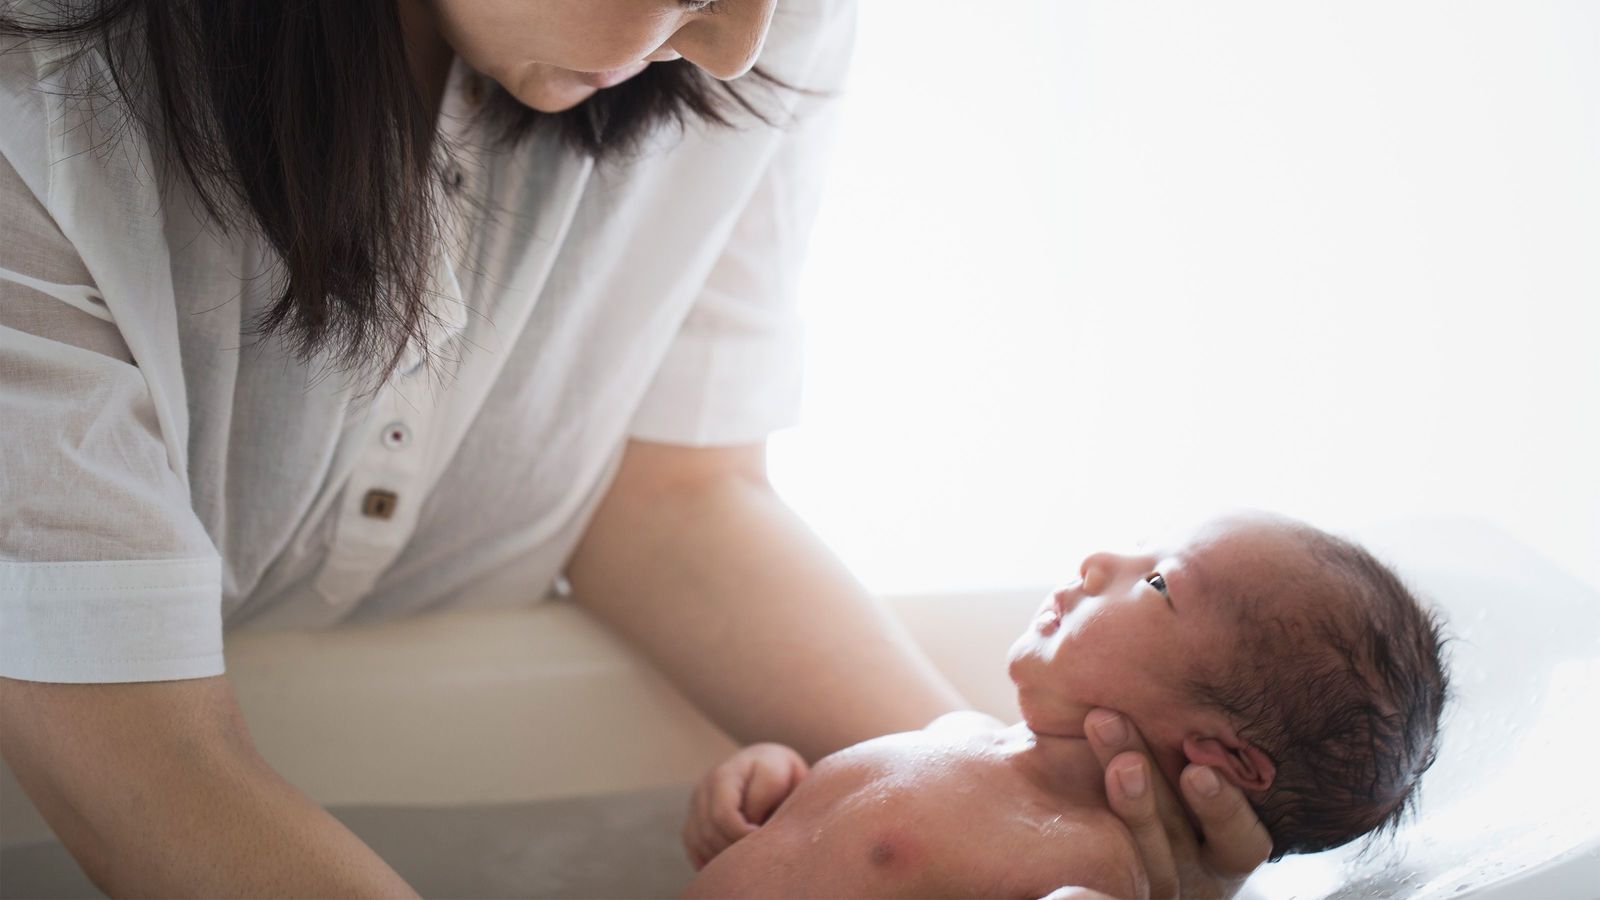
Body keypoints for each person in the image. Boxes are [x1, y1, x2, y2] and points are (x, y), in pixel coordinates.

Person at [0, 0, 1270, 895]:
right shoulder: (40, 96)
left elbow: (669, 494)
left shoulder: (739, 36)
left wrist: (1013, 795)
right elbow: (140, 752)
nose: (741, 45)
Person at [682, 512, 1449, 898]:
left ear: (1222, 755)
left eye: (1158, 585)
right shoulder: (964, 735)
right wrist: (779, 785)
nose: (1102, 563)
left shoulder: (1086, 861)